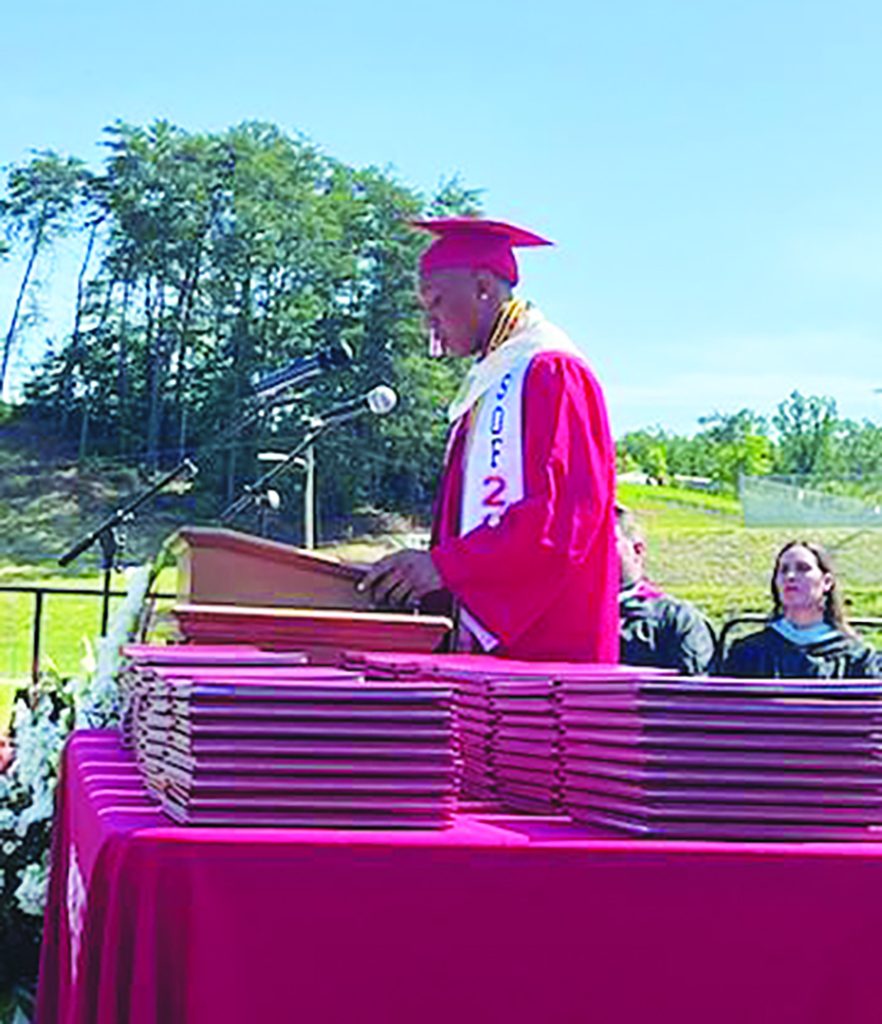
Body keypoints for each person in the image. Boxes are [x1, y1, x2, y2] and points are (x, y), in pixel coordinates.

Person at [358, 217, 618, 662]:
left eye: (436, 302)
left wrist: (445, 567)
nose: (430, 322)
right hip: (488, 655)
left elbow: (561, 522)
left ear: (482, 287)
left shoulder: (550, 372)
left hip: (547, 654)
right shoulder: (492, 380)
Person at [721, 540, 882, 678]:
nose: (790, 576)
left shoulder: (858, 658)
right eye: (783, 570)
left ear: (827, 582)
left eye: (803, 568)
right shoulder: (748, 653)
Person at [615, 503, 715, 674]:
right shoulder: (566, 616)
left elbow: (693, 691)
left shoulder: (677, 620)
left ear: (637, 550)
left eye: (606, 543)